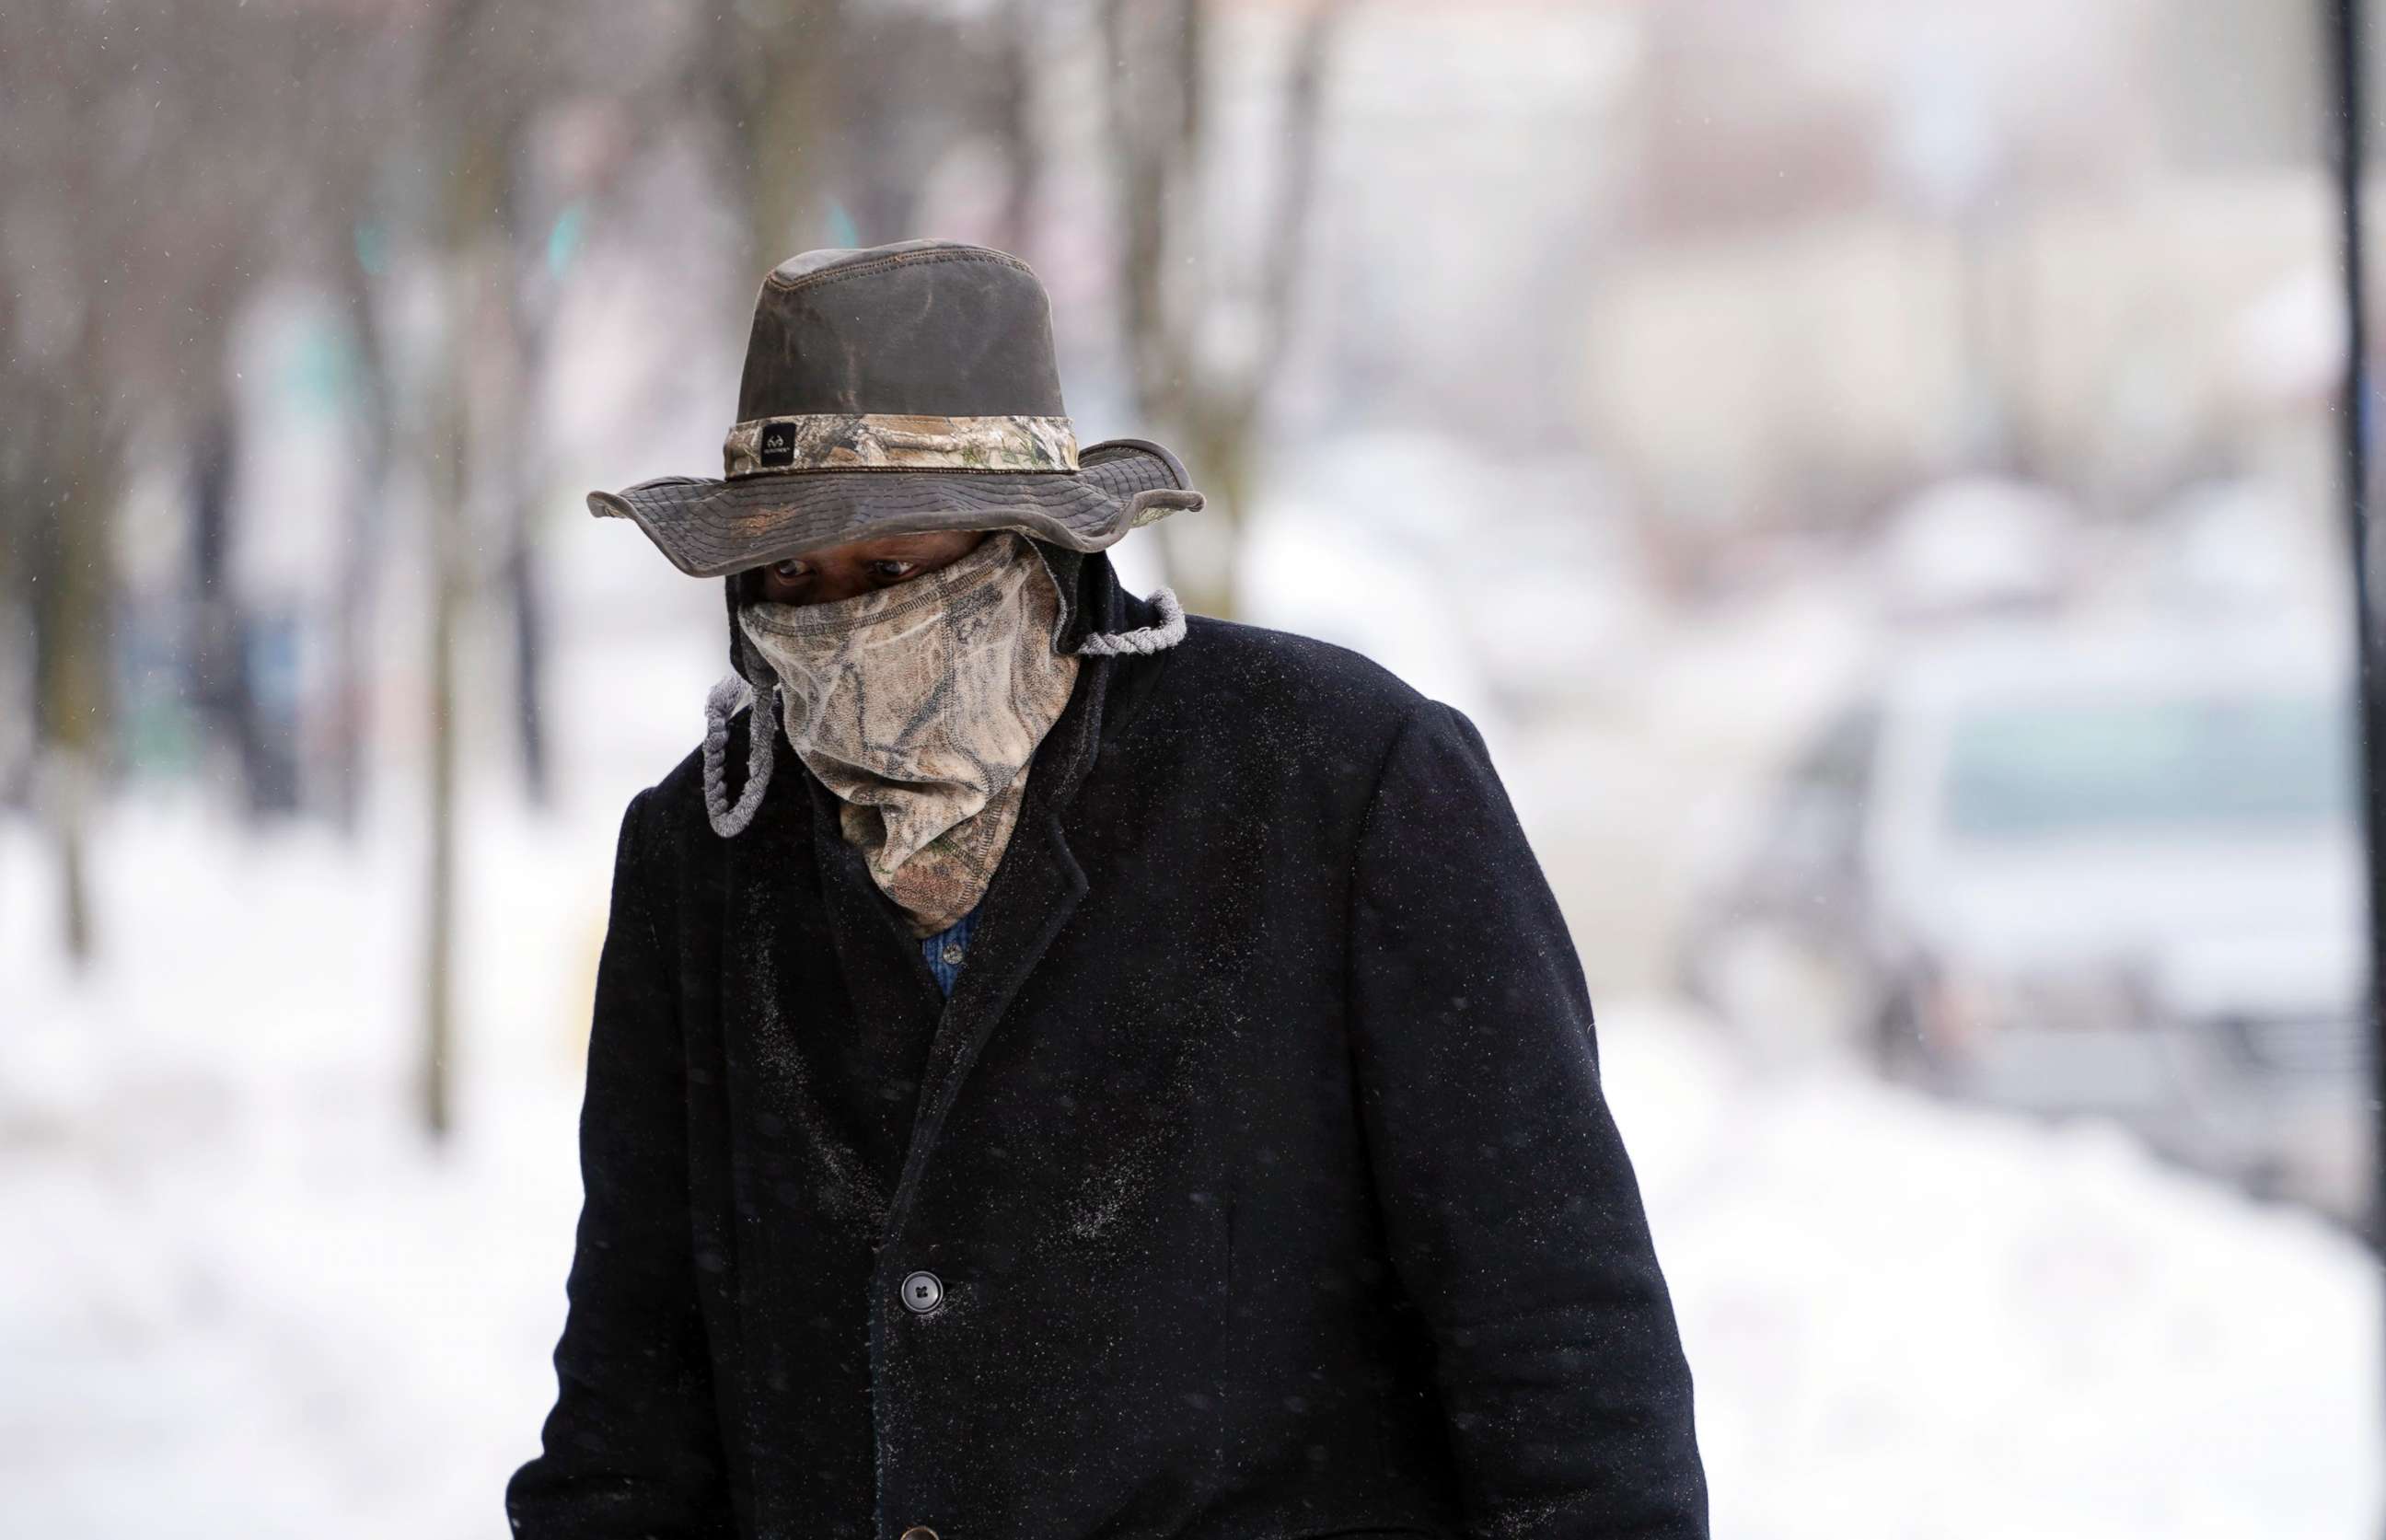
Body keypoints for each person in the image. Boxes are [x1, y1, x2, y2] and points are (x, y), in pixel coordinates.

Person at [505, 237, 1708, 1540]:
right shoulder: (704, 855)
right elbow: (631, 1414)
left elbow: (1568, 1367)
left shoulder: (1340, 785)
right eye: (792, 574)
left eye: (892, 562)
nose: (839, 621)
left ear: (1033, 549)